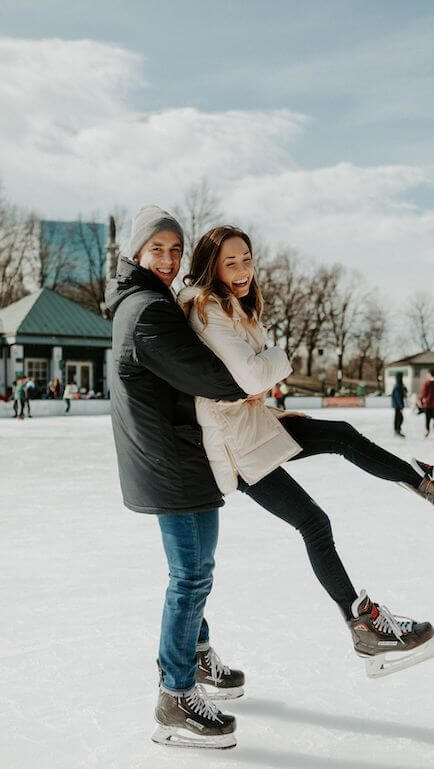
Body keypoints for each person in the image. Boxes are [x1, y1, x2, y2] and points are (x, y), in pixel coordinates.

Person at [177, 224, 434, 683]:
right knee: (316, 516)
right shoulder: (207, 308)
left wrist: (262, 376)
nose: (243, 269)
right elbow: (251, 373)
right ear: (212, 267)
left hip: (254, 427)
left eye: (247, 258)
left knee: (339, 442)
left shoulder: (235, 308)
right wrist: (276, 360)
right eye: (231, 262)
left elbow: (254, 377)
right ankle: (365, 616)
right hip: (237, 448)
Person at [105, 206, 253, 750]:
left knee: (196, 569)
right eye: (156, 250)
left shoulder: (147, 301)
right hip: (170, 460)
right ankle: (175, 695)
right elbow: (207, 374)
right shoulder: (148, 310)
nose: (167, 259)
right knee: (190, 575)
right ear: (137, 254)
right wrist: (249, 381)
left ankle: (194, 652)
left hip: (172, 454)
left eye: (175, 249)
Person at [418, 368, 434, 438]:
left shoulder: (427, 383)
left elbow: (423, 393)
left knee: (427, 418)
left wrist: (420, 400)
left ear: (429, 374)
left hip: (427, 404)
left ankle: (427, 431)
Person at [391, 371, 406, 437]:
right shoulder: (398, 386)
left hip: (397, 405)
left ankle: (397, 430)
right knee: (399, 418)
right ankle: (397, 430)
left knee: (398, 417)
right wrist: (401, 406)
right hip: (398, 405)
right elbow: (398, 397)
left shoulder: (398, 385)